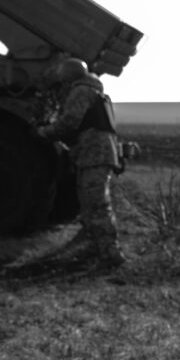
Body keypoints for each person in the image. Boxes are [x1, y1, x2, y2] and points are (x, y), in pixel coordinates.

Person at [36, 57, 126, 269]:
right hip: (95, 153)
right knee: (89, 205)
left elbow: (69, 122)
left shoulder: (81, 92)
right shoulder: (93, 90)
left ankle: (111, 253)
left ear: (67, 77)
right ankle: (96, 249)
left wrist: (43, 132)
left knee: (97, 205)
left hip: (95, 153)